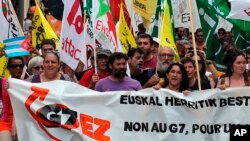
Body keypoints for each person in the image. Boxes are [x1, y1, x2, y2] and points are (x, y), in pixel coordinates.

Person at [0, 57, 25, 141]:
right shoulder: (2, 83)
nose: (18, 68)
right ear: (8, 68)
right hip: (6, 122)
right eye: (14, 66)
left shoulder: (27, 84)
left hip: (23, 122)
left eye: (20, 66)